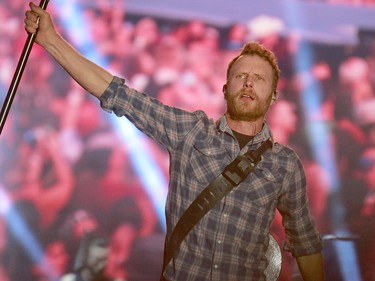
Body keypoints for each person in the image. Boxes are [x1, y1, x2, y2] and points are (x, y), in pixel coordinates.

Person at [24, 3, 325, 280]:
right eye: (240, 76)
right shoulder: (191, 131)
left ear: (273, 95)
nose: (248, 82)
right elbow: (117, 94)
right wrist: (50, 39)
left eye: (259, 79)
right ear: (224, 88)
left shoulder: (285, 163)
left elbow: (306, 242)